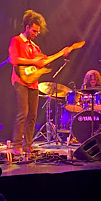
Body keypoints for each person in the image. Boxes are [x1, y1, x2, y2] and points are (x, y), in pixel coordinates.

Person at [9, 10, 69, 154]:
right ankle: (17, 145)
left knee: (32, 115)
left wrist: (61, 53)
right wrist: (34, 61)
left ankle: (27, 145)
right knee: (22, 113)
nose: (36, 33)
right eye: (34, 30)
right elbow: (14, 59)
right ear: (27, 26)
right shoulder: (16, 40)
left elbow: (42, 61)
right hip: (20, 81)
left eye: (37, 31)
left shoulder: (35, 47)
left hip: (33, 83)